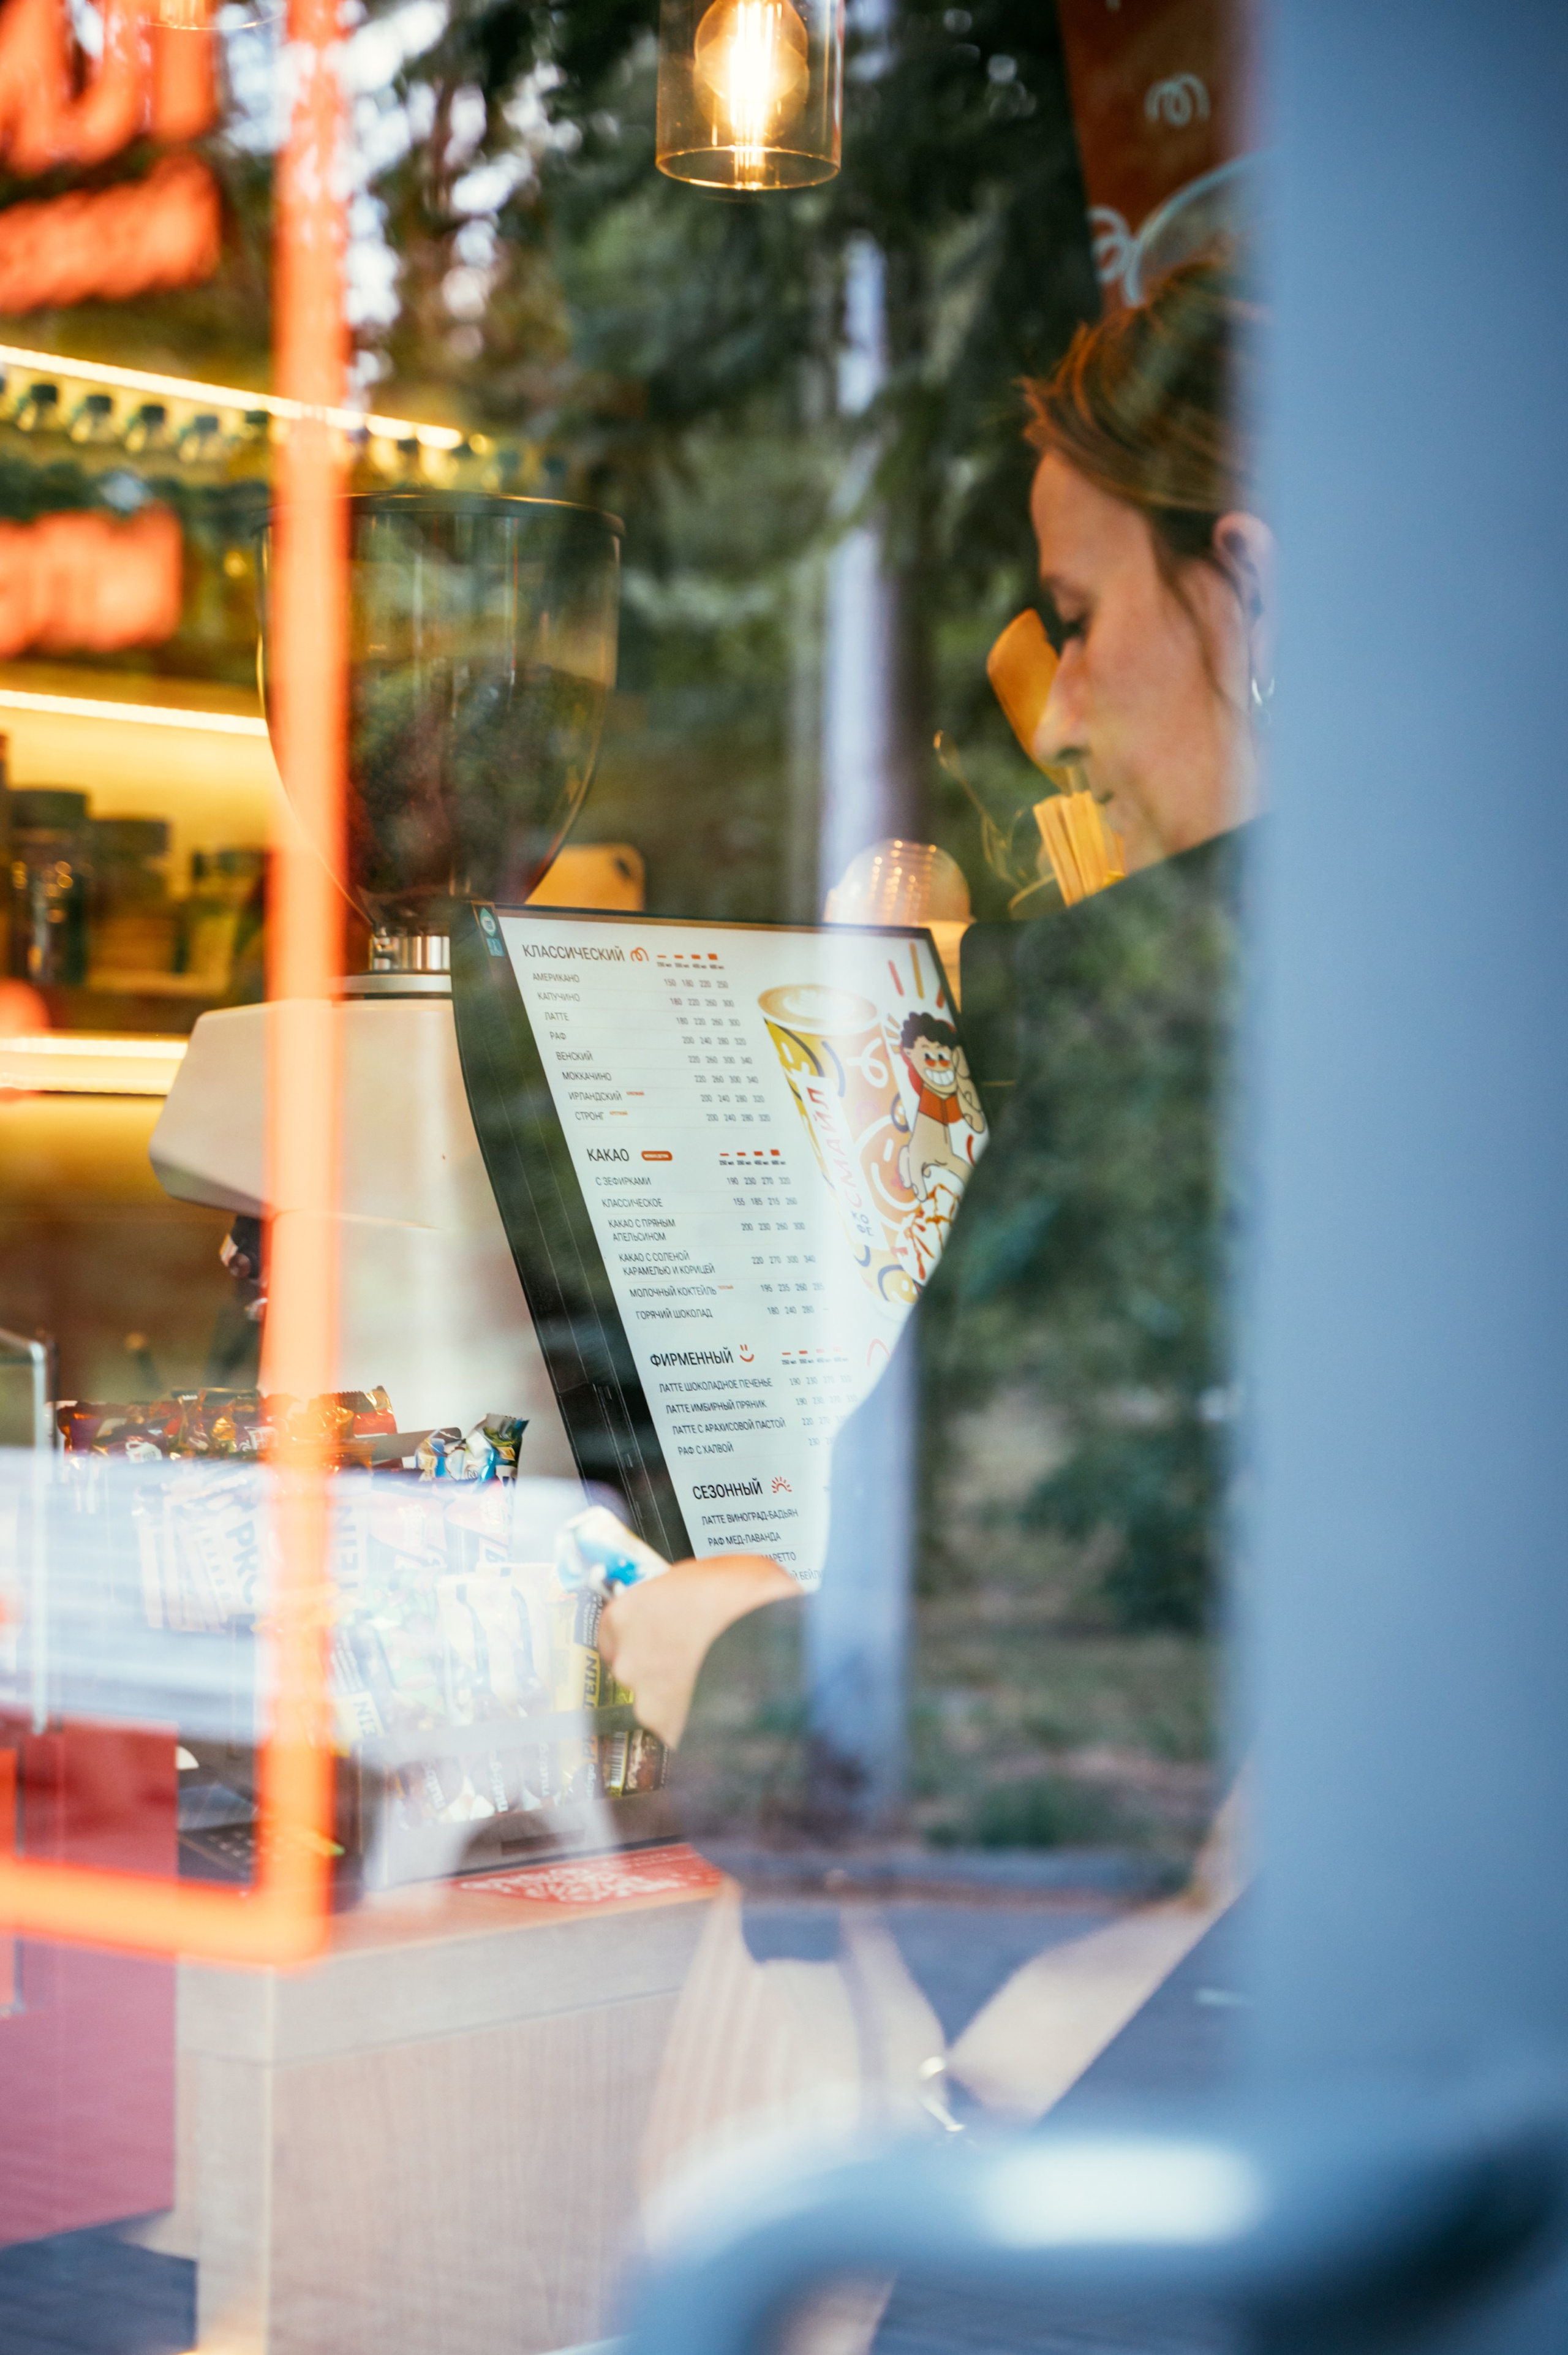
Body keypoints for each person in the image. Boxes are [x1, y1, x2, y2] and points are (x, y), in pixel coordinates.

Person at [601, 254, 1272, 1831]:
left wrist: (728, 1660)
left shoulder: (1200, 1032)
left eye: (1079, 621)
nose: (1057, 717)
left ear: (1249, 591)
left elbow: (1031, 1750)